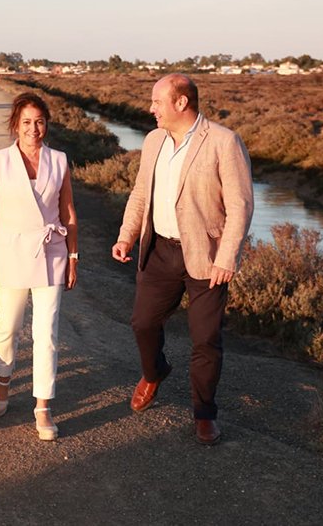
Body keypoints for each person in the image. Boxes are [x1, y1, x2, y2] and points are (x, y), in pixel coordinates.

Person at [111, 74, 253, 445]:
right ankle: (154, 372)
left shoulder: (224, 141)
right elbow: (141, 193)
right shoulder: (154, 139)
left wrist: (227, 257)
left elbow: (240, 206)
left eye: (157, 101)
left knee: (205, 338)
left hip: (206, 256)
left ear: (181, 103)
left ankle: (204, 414)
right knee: (143, 323)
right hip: (159, 250)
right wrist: (127, 235)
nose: (151, 108)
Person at [0, 92, 78, 441]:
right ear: (15, 125)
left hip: (52, 251)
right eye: (27, 122)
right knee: (8, 326)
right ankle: (2, 381)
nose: (34, 129)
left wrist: (74, 257)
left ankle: (42, 407)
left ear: (47, 124)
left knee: (46, 333)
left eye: (40, 121)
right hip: (12, 251)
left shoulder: (59, 160)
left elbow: (69, 213)